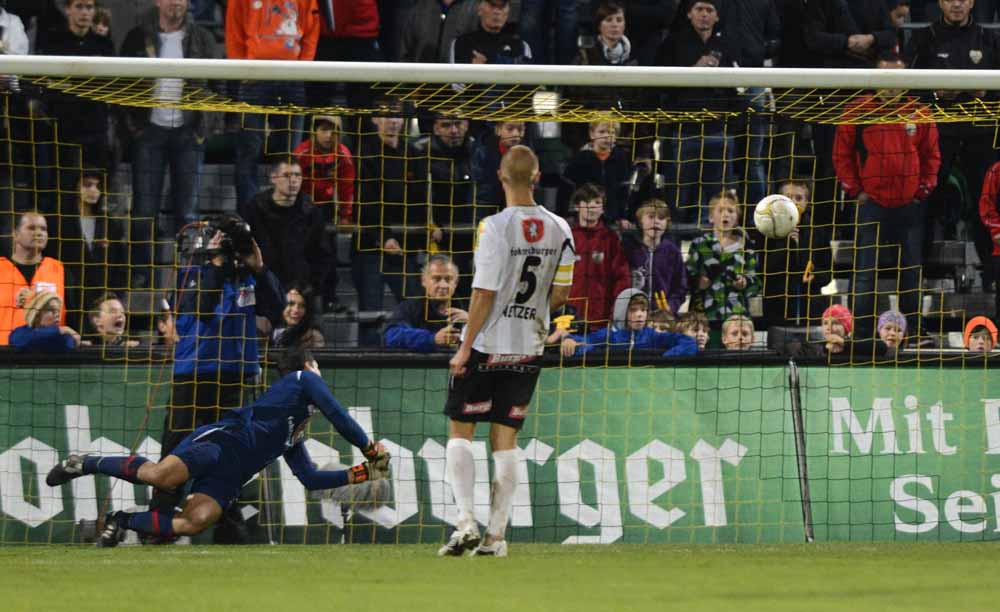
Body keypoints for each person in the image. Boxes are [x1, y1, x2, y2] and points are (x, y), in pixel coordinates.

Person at [45, 348, 391, 547]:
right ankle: (84, 462)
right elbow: (337, 414)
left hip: (231, 476)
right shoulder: (302, 380)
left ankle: (120, 521)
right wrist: (369, 449)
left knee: (195, 521)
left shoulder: (295, 431)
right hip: (222, 442)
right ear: (308, 366)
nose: (319, 372)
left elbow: (310, 479)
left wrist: (361, 473)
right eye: (317, 366)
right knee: (162, 476)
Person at [441, 145, 575, 557]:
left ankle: (466, 522)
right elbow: (562, 293)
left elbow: (483, 293)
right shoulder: (561, 228)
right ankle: (496, 537)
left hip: (488, 345)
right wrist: (532, 313)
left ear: (501, 176)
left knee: (461, 432)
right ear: (537, 177)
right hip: (529, 347)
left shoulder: (494, 227)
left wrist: (465, 347)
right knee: (506, 439)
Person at [153, 214, 284, 543]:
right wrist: (215, 263)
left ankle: (227, 522)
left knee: (229, 450)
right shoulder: (190, 274)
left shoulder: (247, 277)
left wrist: (260, 268)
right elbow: (203, 307)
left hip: (235, 371)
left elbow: (277, 307)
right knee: (177, 446)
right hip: (195, 371)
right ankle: (159, 520)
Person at [832, 52, 940, 340]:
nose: (891, 85)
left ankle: (912, 333)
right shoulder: (857, 111)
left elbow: (931, 156)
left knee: (911, 273)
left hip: (910, 205)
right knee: (865, 273)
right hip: (872, 204)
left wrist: (923, 190)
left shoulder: (920, 112)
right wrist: (855, 191)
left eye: (897, 78)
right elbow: (842, 155)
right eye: (885, 78)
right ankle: (861, 334)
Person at [120, 0, 218, 290]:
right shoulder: (138, 37)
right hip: (149, 132)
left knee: (188, 213)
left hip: (189, 134)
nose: (176, 3)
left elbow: (218, 84)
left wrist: (205, 127)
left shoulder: (203, 38)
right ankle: (141, 274)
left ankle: (188, 275)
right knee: (143, 211)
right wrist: (134, 126)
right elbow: (121, 82)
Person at [905, 0, 1000, 289]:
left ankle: (992, 277)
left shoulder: (990, 40)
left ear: (972, 3)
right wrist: (935, 93)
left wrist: (987, 93)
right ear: (940, 3)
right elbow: (904, 87)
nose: (957, 4)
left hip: (982, 134)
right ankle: (919, 275)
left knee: (987, 206)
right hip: (938, 135)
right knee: (927, 203)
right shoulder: (924, 39)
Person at [226, 0, 319, 208]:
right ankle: (249, 216)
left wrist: (303, 68)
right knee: (249, 150)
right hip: (254, 77)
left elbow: (312, 30)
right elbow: (234, 31)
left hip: (293, 78)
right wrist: (241, 68)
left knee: (290, 155)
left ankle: (286, 213)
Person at [353, 113, 427, 345]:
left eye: (397, 116)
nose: (393, 122)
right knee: (370, 314)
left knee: (415, 307)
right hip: (370, 248)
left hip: (405, 247)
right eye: (387, 116)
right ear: (375, 119)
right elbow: (364, 202)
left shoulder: (412, 153)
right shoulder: (365, 153)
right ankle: (367, 359)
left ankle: (416, 357)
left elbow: (421, 198)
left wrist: (428, 227)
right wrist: (382, 237)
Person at [240, 157, 334, 300]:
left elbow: (322, 254)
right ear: (273, 178)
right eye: (287, 175)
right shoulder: (255, 208)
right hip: (264, 289)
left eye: (297, 175)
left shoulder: (311, 211)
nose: (293, 180)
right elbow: (245, 249)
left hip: (301, 292)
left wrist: (310, 287)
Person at [49, 170, 128, 333]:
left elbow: (120, 264)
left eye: (97, 186)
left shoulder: (110, 224)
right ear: (75, 188)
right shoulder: (59, 222)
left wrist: (115, 295)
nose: (93, 190)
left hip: (102, 298)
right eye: (87, 185)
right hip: (70, 296)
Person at [412, 114, 479, 298]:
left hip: (470, 236)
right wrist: (429, 223)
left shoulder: (477, 151)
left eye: (458, 124)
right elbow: (416, 195)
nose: (454, 131)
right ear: (436, 128)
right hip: (437, 238)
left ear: (467, 124)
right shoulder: (421, 152)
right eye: (446, 125)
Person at [751, 178, 833, 329]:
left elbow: (828, 274)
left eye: (799, 198)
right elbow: (763, 270)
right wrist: (786, 244)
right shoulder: (766, 231)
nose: (793, 202)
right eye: (788, 198)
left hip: (810, 308)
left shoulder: (818, 232)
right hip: (777, 307)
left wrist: (815, 276)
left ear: (807, 202)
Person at [686, 192, 760, 321]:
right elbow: (687, 277)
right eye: (720, 210)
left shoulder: (746, 247)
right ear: (711, 217)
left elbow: (756, 282)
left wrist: (744, 283)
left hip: (737, 316)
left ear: (737, 219)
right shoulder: (699, 245)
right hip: (704, 317)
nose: (725, 214)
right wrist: (699, 282)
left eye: (730, 211)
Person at [565, 183, 630, 329]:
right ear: (577, 206)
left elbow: (622, 279)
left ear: (602, 209)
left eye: (597, 202)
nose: (592, 206)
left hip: (601, 321)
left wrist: (616, 313)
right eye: (587, 201)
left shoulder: (611, 240)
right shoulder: (566, 237)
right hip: (567, 320)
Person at [560, 288, 697, 357]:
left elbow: (689, 343)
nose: (639, 314)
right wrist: (570, 340)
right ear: (622, 312)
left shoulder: (653, 336)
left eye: (643, 310)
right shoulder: (610, 336)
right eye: (633, 310)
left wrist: (664, 358)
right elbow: (585, 341)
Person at [558, 119, 642, 224]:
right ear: (592, 134)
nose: (607, 136)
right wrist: (566, 215)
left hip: (612, 218)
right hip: (584, 217)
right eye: (602, 132)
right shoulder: (579, 158)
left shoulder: (621, 158)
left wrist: (622, 217)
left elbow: (623, 191)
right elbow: (566, 190)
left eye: (612, 132)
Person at [0, 212, 66, 345]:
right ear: (15, 234)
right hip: (4, 352)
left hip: (49, 352)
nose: (39, 233)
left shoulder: (59, 269)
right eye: (31, 228)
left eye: (43, 229)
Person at [384, 254, 468, 352]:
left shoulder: (470, 307)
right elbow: (392, 335)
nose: (443, 285)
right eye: (436, 279)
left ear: (456, 283)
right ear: (424, 281)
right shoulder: (410, 308)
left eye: (448, 279)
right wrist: (433, 338)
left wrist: (473, 323)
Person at [623, 198, 687, 316]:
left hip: (662, 316)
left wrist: (671, 306)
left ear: (667, 223)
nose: (656, 222)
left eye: (661, 218)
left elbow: (680, 287)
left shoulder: (672, 252)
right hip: (634, 314)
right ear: (640, 221)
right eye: (651, 217)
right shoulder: (629, 251)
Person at [450, 0, 531, 65]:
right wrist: (472, 72)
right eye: (492, 5)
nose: (497, 12)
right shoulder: (461, 44)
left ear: (508, 11)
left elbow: (528, 79)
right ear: (479, 8)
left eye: (502, 6)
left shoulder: (521, 46)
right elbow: (455, 80)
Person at [399, 0, 480, 63]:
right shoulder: (420, 7)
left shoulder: (477, 8)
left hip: (460, 77)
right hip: (420, 78)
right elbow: (405, 53)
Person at [470, 120, 527, 209]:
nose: (516, 134)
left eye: (520, 129)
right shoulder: (483, 153)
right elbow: (479, 191)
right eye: (510, 129)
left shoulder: (527, 155)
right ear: (498, 130)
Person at [9, 291, 80, 353]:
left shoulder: (64, 338)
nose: (57, 314)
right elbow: (19, 340)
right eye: (51, 310)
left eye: (58, 311)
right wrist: (61, 330)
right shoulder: (19, 333)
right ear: (36, 314)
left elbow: (67, 343)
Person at [270, 282, 325, 349]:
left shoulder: (313, 337)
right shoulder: (270, 330)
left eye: (302, 306)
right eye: (290, 304)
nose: (296, 310)